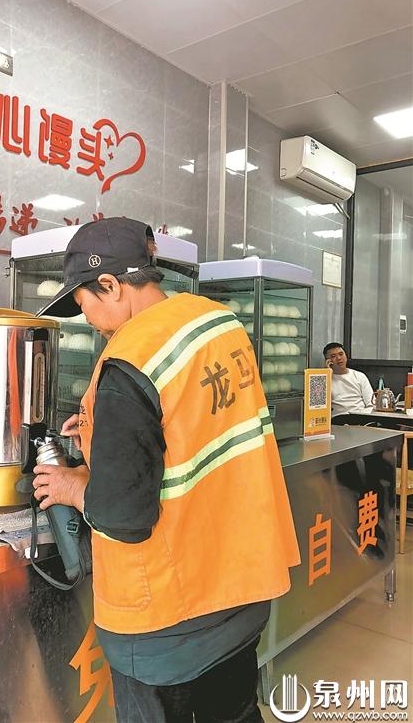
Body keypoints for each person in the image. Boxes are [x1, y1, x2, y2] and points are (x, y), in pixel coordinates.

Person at [34, 217, 300, 723]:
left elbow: (124, 515)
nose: (85, 316)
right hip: (241, 591)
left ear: (110, 285)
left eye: (83, 302)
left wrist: (73, 485)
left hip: (169, 620)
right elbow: (191, 430)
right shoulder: (218, 323)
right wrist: (102, 434)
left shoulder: (130, 358)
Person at [323, 342, 374, 417]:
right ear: (328, 361)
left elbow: (371, 403)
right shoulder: (324, 380)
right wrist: (327, 374)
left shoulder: (359, 376)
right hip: (338, 418)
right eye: (333, 356)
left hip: (361, 416)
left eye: (341, 354)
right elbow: (319, 405)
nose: (339, 358)